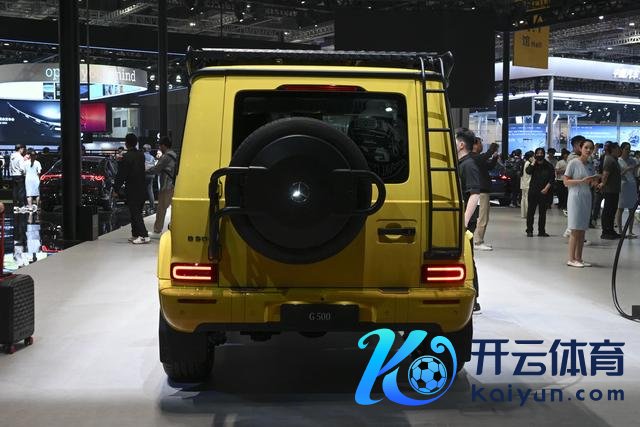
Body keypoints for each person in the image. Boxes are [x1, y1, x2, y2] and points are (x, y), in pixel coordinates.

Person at [455, 128, 481, 313]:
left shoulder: (468, 165)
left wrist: (464, 222)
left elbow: (474, 194)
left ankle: (474, 301)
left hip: (466, 222)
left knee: (467, 258)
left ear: (461, 144)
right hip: (461, 220)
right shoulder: (461, 163)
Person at [563, 139, 597, 268]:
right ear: (580, 148)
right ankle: (571, 259)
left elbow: (591, 182)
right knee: (575, 229)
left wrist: (595, 181)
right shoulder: (573, 162)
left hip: (586, 197)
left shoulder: (590, 164)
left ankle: (579, 258)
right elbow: (566, 182)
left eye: (591, 148)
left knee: (582, 229)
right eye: (586, 147)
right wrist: (581, 181)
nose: (588, 150)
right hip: (575, 197)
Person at [113, 134, 149, 244]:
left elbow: (121, 175)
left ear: (126, 143)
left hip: (132, 188)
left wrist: (116, 189)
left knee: (135, 213)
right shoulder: (141, 155)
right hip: (142, 186)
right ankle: (135, 234)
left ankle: (143, 235)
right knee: (136, 212)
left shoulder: (126, 157)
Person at [146, 136, 177, 237]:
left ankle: (157, 230)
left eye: (160, 146)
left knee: (161, 208)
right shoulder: (174, 155)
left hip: (166, 185)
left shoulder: (166, 156)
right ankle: (173, 228)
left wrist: (145, 170)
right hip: (173, 184)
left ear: (163, 145)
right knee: (174, 208)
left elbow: (157, 168)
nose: (159, 148)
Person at [472, 138, 498, 251]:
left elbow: (489, 166)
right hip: (480, 191)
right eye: (480, 143)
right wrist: (492, 148)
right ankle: (478, 241)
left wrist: (495, 158)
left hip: (482, 190)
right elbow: (485, 156)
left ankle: (478, 240)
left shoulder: (477, 158)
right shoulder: (474, 157)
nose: (482, 145)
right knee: (482, 217)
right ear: (475, 145)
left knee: (482, 217)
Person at [525, 147, 555, 237]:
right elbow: (528, 171)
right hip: (533, 191)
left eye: (541, 153)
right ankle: (529, 230)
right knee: (530, 212)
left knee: (543, 213)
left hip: (544, 192)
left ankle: (541, 231)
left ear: (544, 154)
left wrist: (546, 188)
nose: (539, 155)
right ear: (535, 154)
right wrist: (533, 162)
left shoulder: (549, 165)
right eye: (537, 153)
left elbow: (552, 179)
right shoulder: (533, 165)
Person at [597, 142, 622, 239]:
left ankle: (610, 230)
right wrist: (602, 183)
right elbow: (605, 173)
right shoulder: (609, 159)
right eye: (618, 149)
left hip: (614, 190)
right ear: (613, 149)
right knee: (608, 211)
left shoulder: (613, 159)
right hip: (609, 190)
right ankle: (606, 231)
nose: (619, 151)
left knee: (612, 211)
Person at [616, 142, 639, 238]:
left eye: (629, 149)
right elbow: (617, 175)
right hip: (622, 186)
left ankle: (630, 231)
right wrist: (626, 170)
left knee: (632, 209)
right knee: (620, 208)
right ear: (621, 149)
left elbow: (635, 173)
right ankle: (620, 231)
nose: (628, 151)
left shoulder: (633, 160)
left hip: (632, 185)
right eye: (626, 149)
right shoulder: (618, 161)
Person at [10, 144, 26, 210]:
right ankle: (21, 205)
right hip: (19, 175)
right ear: (20, 149)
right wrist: (25, 173)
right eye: (23, 149)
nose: (23, 151)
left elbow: (10, 166)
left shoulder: (12, 156)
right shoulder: (20, 157)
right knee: (21, 191)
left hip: (14, 175)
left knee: (14, 190)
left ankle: (15, 205)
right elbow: (22, 168)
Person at [555, 148, 570, 215]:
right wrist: (565, 171)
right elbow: (557, 171)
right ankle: (560, 203)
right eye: (565, 154)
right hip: (560, 180)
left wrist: (563, 171)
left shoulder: (570, 162)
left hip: (567, 180)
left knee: (566, 193)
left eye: (567, 154)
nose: (566, 156)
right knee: (560, 193)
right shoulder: (560, 162)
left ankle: (565, 204)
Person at [143, 143, 157, 214]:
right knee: (150, 190)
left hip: (144, 175)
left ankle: (141, 206)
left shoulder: (142, 156)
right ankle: (152, 206)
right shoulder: (152, 157)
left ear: (144, 149)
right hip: (151, 175)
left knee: (142, 190)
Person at [520, 151, 534, 218]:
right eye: (533, 156)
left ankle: (523, 214)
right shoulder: (529, 163)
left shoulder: (524, 162)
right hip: (528, 183)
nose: (534, 158)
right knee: (528, 199)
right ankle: (528, 213)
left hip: (523, 183)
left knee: (523, 199)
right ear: (530, 157)